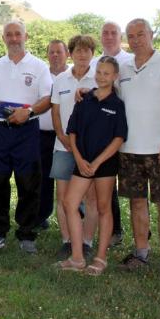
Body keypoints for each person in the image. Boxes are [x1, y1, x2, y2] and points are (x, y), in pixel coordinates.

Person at [116, 18, 160, 282]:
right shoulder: (123, 67)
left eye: (140, 34)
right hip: (130, 149)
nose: (135, 40)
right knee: (137, 202)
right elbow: (108, 93)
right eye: (131, 36)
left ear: (151, 34)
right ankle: (141, 253)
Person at [0, 21, 53, 254]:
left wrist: (27, 112)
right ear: (3, 39)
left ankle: (26, 234)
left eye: (18, 34)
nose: (14, 38)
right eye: (9, 34)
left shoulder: (39, 66)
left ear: (25, 36)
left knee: (28, 182)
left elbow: (48, 98)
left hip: (27, 131)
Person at [58, 56, 127, 274]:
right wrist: (78, 158)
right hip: (82, 161)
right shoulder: (84, 100)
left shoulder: (117, 104)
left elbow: (119, 138)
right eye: (99, 72)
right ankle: (77, 258)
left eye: (107, 73)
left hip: (104, 165)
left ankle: (100, 258)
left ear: (115, 76)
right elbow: (73, 131)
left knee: (103, 207)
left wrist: (97, 162)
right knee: (69, 202)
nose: (101, 77)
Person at [50, 36, 99, 261]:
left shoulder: (100, 78)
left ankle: (87, 242)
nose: (82, 55)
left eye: (86, 50)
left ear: (92, 53)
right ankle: (67, 240)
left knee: (91, 198)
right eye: (77, 51)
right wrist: (61, 136)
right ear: (71, 53)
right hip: (63, 147)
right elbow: (55, 111)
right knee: (63, 197)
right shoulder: (61, 79)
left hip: (90, 149)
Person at [90, 21, 133, 245]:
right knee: (106, 182)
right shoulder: (95, 62)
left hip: (126, 129)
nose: (108, 36)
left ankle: (136, 233)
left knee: (124, 185)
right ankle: (113, 230)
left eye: (113, 33)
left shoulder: (129, 61)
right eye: (104, 33)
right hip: (102, 130)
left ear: (120, 36)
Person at [34, 39, 70, 231]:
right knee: (43, 178)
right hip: (43, 134)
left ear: (67, 54)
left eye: (59, 52)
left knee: (69, 180)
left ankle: (75, 216)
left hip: (68, 137)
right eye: (51, 52)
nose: (55, 55)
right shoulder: (41, 74)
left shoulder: (74, 73)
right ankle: (41, 217)